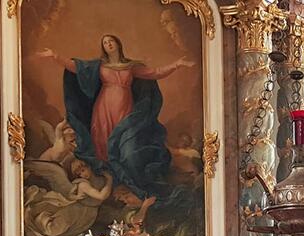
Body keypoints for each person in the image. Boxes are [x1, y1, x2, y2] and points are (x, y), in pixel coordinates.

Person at [35, 35, 194, 194]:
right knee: (103, 141)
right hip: (104, 108)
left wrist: (177, 65)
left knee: (123, 140)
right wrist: (55, 56)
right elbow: (75, 67)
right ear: (103, 48)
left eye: (111, 41)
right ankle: (112, 182)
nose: (108, 44)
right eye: (105, 43)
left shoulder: (130, 67)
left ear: (117, 44)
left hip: (125, 108)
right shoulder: (100, 66)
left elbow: (155, 73)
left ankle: (127, 178)